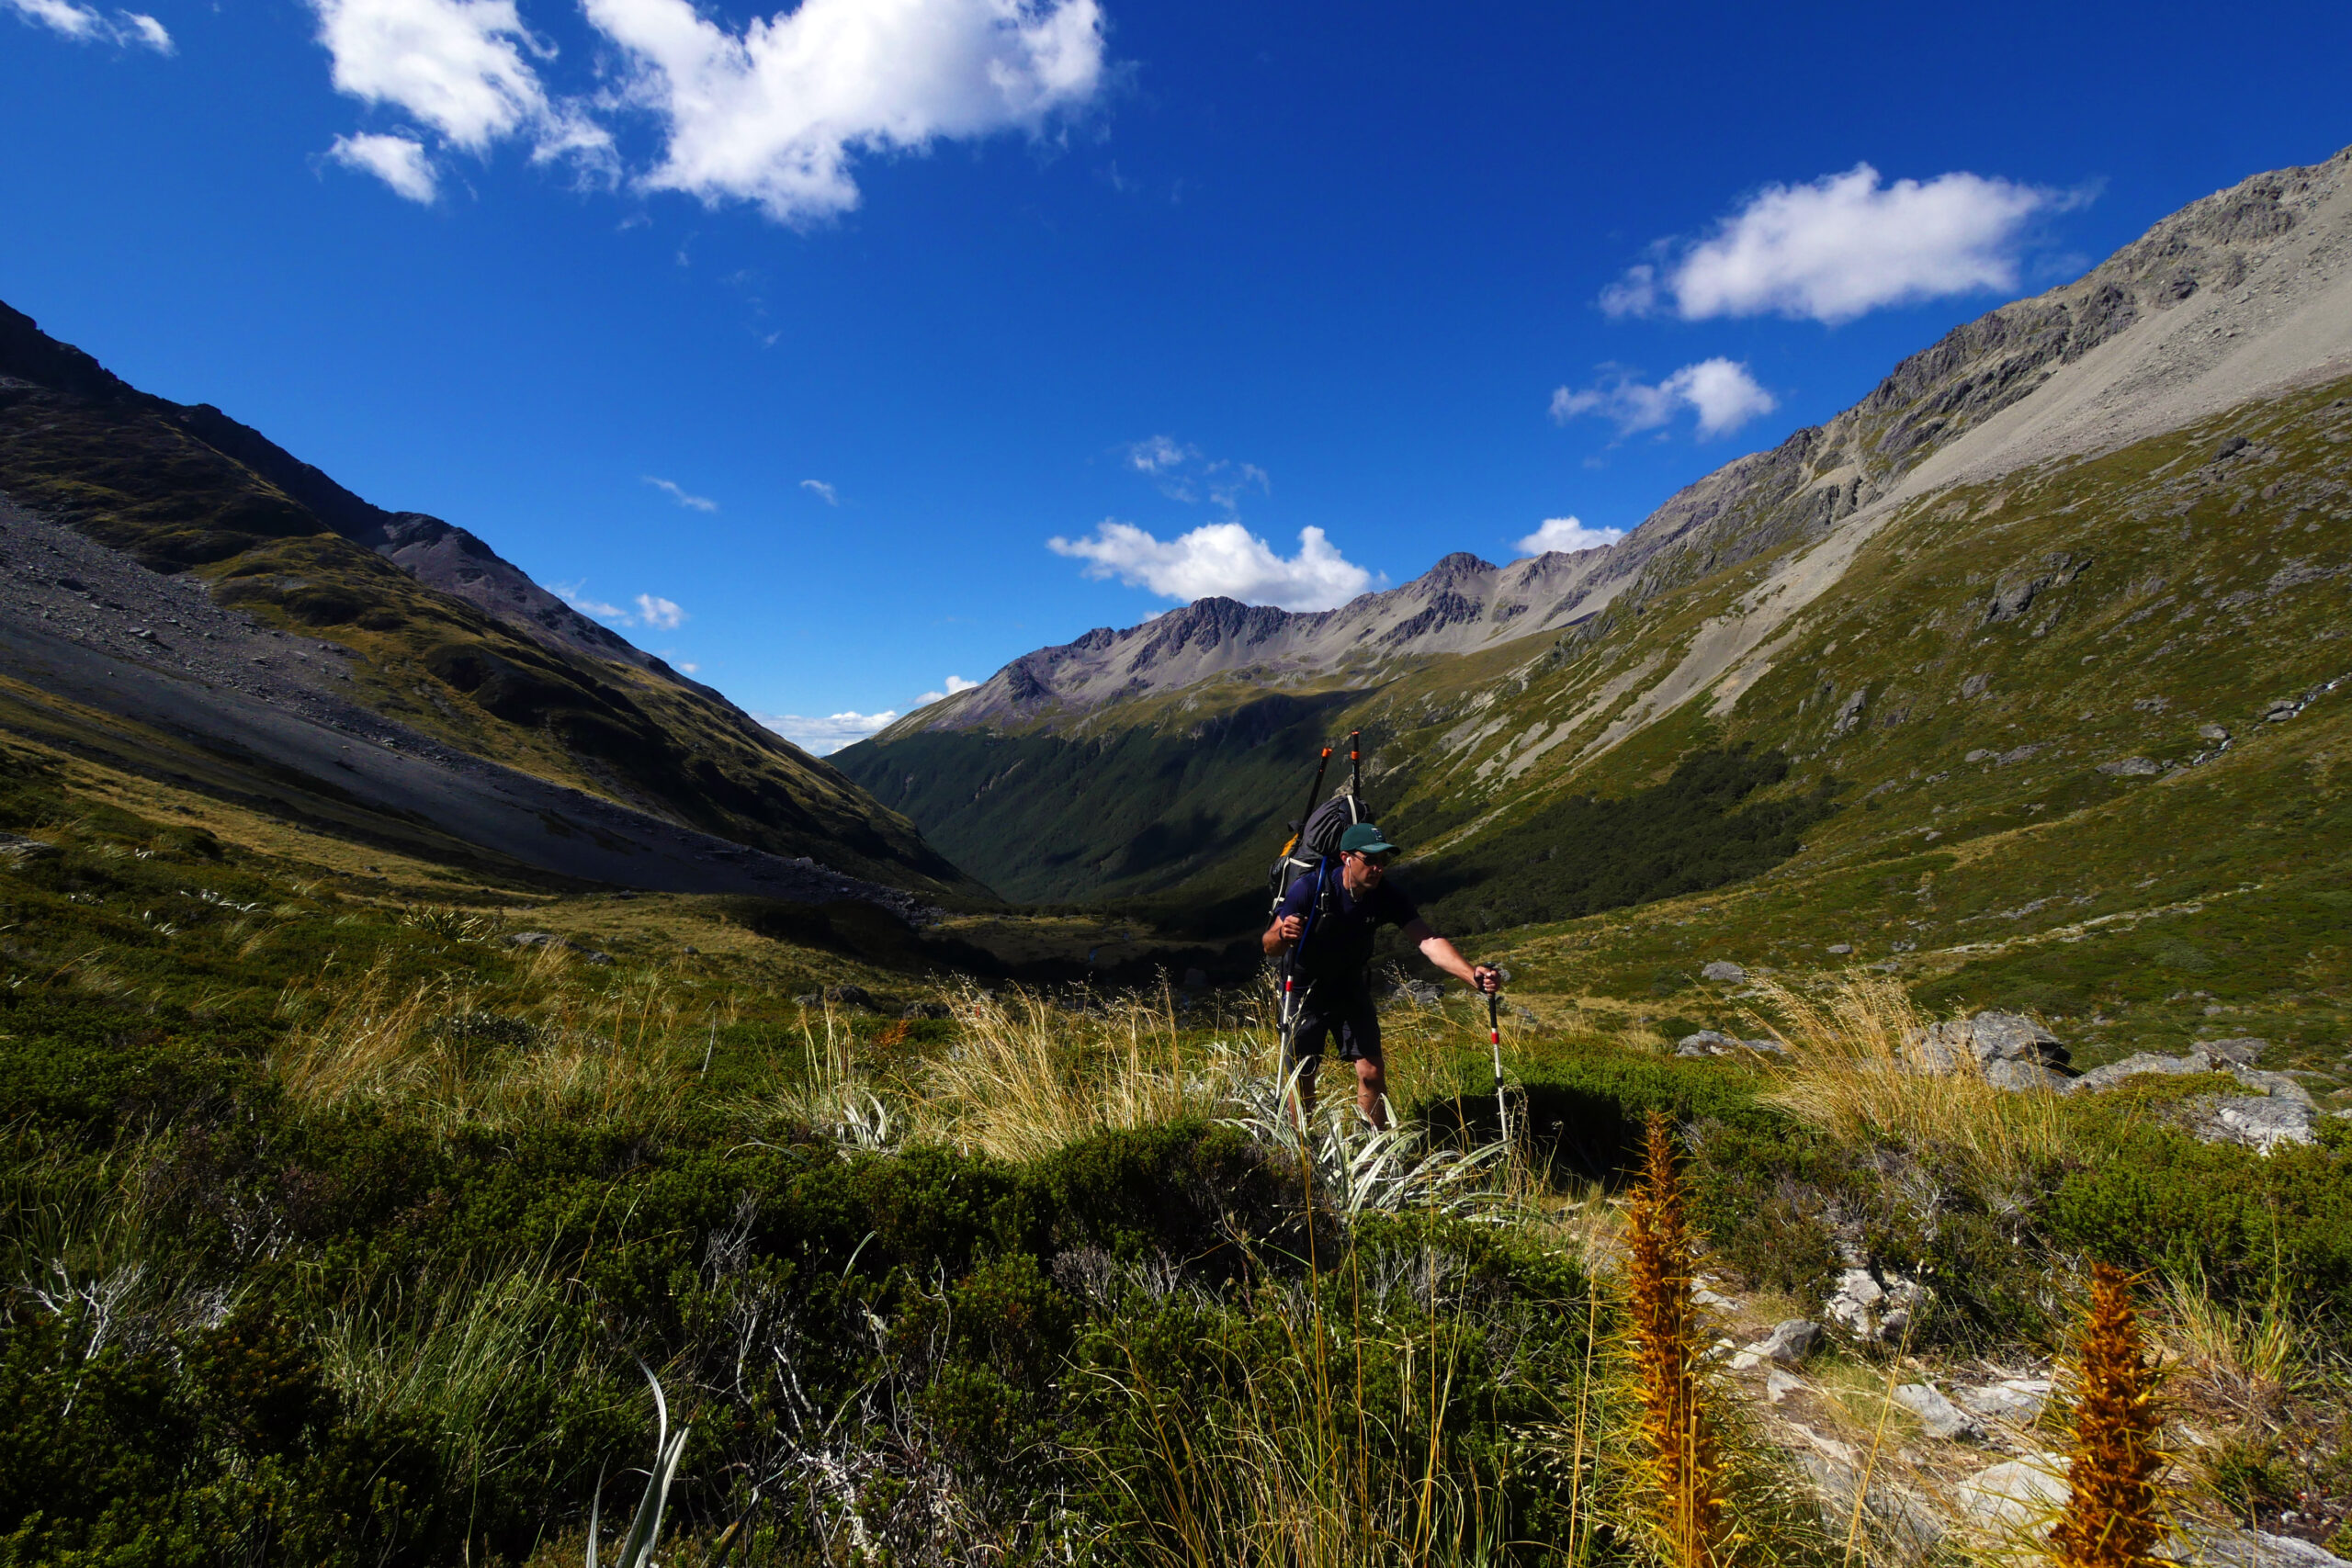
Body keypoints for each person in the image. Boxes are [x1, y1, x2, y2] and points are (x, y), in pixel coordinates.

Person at [1262, 821, 1499, 1130]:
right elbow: (1270, 946)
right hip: (1306, 987)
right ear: (1347, 857)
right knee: (1304, 1071)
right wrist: (1282, 933)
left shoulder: (1386, 895)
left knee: (1371, 1071)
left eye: (1383, 861)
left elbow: (1427, 941)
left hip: (1350, 985)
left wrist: (1473, 977)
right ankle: (1302, 1147)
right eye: (1370, 860)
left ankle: (1373, 1147)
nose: (1377, 868)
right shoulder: (1311, 888)